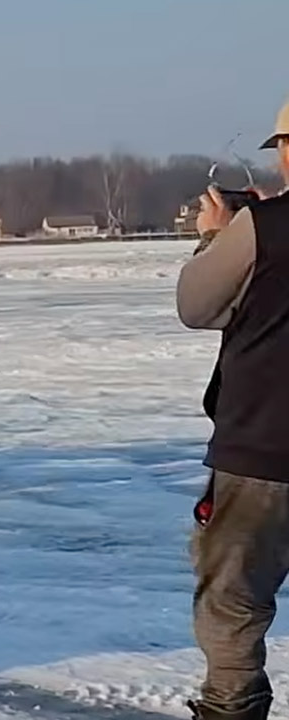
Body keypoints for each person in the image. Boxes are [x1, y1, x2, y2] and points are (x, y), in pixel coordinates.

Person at [176, 97, 289, 720]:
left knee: (234, 605)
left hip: (263, 456)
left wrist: (218, 238)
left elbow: (198, 305)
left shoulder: (266, 227)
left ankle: (231, 711)